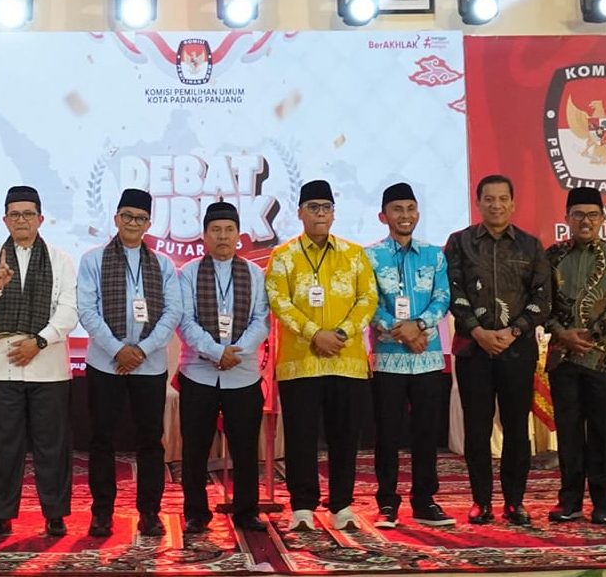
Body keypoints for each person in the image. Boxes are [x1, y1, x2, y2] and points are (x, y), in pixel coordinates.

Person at [265, 179, 378, 532]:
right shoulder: (283, 256)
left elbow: (368, 299)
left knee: (345, 438)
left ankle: (341, 505)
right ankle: (302, 507)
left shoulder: (354, 254)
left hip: (347, 361)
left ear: (333, 213)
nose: (320, 214)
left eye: (326, 208)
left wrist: (340, 334)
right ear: (300, 213)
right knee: (300, 437)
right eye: (313, 208)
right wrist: (316, 334)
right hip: (300, 363)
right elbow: (279, 301)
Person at [0, 185, 80, 539]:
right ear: (4, 220)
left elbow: (69, 310)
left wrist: (40, 341)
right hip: (1, 367)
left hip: (49, 366)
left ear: (40, 219)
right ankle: (1, 515)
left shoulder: (60, 259)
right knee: (4, 446)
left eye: (28, 214)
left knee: (52, 446)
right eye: (15, 214)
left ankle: (55, 514)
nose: (21, 220)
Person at [75, 188, 183, 538]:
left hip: (149, 366)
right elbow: (87, 310)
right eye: (127, 216)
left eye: (140, 218)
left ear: (149, 223)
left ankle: (149, 513)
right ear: (116, 218)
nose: (133, 223)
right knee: (101, 439)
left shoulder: (163, 264)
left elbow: (173, 312)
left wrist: (142, 350)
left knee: (150, 440)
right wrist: (118, 350)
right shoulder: (93, 259)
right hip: (105, 364)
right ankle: (101, 513)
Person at [445, 174, 551, 526]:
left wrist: (513, 331)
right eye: (489, 199)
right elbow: (452, 291)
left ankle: (514, 502)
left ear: (513, 203)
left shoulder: (530, 245)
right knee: (477, 429)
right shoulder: (459, 242)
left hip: (517, 351)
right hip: (473, 350)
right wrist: (477, 331)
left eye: (503, 198)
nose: (496, 205)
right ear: (478, 203)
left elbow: (542, 299)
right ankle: (481, 502)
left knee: (517, 428)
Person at [543, 187, 606, 526]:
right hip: (563, 360)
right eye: (578, 215)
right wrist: (562, 333)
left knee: (604, 433)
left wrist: (592, 335)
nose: (586, 221)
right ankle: (569, 501)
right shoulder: (552, 256)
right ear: (567, 218)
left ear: (603, 218)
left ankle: (604, 504)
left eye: (592, 215)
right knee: (568, 434)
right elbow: (541, 301)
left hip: (603, 360)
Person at [175, 202, 271, 534]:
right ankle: (195, 513)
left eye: (229, 229)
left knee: (245, 448)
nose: (223, 236)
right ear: (204, 235)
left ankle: (247, 511)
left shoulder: (255, 274)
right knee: (195, 448)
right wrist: (217, 351)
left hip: (243, 374)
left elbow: (262, 319)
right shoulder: (188, 273)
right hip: (198, 373)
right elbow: (185, 321)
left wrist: (236, 352)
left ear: (238, 235)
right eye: (215, 230)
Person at [365, 182, 455, 529]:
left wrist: (418, 326)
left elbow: (442, 298)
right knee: (387, 434)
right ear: (383, 216)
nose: (405, 215)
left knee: (426, 433)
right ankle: (387, 503)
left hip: (427, 357)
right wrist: (399, 330)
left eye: (410, 208)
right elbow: (368, 302)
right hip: (388, 358)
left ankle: (424, 501)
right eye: (397, 209)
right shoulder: (369, 257)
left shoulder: (434, 255)